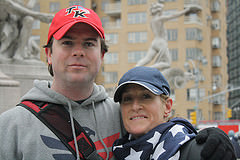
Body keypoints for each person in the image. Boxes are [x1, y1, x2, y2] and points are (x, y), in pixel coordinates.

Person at [0, 5, 236, 160]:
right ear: (49, 54)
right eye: (68, 42)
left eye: (89, 43)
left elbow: (165, 132)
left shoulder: (123, 114)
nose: (79, 51)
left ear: (102, 55)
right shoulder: (10, 127)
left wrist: (208, 140)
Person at [112, 66, 236, 160]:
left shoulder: (198, 151)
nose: (135, 106)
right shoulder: (116, 153)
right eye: (127, 99)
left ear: (167, 107)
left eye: (146, 96)